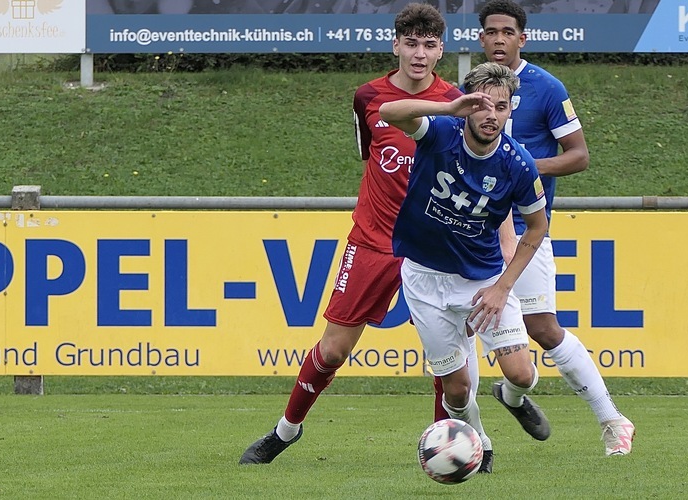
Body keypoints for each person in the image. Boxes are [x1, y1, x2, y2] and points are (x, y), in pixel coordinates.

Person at [239, 3, 499, 472]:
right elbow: (370, 154)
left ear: (441, 49)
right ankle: (286, 431)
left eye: (429, 45)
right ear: (395, 44)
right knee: (334, 348)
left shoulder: (460, 101)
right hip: (373, 241)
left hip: (433, 250)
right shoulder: (368, 97)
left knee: (447, 359)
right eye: (411, 43)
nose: (419, 54)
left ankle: (460, 443)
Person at [435, 0, 636, 456]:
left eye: (509, 31)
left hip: (525, 226)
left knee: (543, 328)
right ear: (480, 38)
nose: (500, 39)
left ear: (522, 38)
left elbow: (579, 156)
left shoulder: (546, 87)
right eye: (491, 32)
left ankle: (612, 419)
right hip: (465, 229)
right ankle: (478, 441)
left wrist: (521, 167)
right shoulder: (463, 92)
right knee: (462, 329)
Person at [380, 62, 552, 460]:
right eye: (482, 104)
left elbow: (537, 228)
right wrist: (447, 107)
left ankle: (512, 398)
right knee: (456, 391)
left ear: (511, 110)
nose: (491, 114)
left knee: (522, 375)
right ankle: (479, 442)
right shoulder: (440, 133)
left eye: (501, 106)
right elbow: (388, 112)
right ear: (468, 105)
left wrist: (502, 287)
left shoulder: (518, 164)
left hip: (483, 281)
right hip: (424, 279)